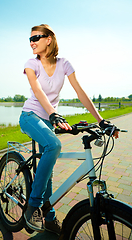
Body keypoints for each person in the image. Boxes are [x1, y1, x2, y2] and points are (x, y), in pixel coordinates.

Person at [19, 24, 118, 235]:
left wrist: (101, 121)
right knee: (54, 145)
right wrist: (53, 114)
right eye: (30, 39)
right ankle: (33, 206)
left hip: (48, 120)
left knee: (48, 172)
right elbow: (37, 91)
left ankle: (50, 218)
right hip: (30, 116)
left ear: (49, 39)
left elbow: (80, 92)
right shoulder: (31, 64)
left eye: (36, 37)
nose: (32, 42)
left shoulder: (64, 64)